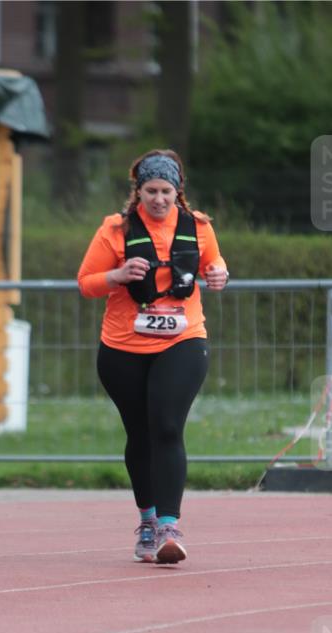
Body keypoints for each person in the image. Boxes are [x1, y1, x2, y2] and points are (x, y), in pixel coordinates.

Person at [78, 149, 229, 564]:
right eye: (151, 191)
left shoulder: (198, 227)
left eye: (166, 191)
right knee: (139, 433)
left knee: (166, 425)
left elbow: (214, 265)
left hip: (182, 340)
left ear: (178, 192)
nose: (159, 199)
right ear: (138, 191)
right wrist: (117, 275)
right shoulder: (115, 229)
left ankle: (168, 526)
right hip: (123, 347)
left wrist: (219, 274)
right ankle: (146, 520)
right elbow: (87, 282)